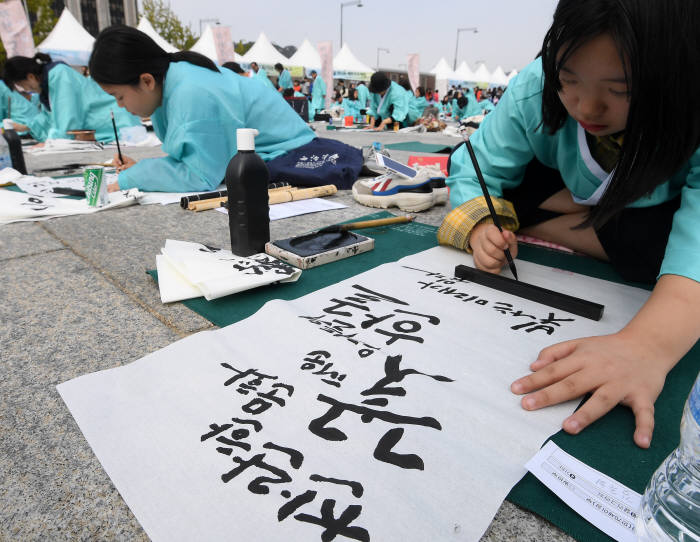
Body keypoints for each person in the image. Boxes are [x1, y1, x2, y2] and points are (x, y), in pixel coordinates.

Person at [438, 0, 700, 448]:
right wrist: (482, 223)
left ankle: (554, 217)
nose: (587, 106)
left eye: (621, 90)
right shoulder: (534, 87)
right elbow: (479, 166)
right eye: (568, 80)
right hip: (570, 193)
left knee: (653, 255)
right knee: (500, 192)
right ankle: (582, 212)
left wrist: (647, 346)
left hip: (650, 213)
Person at [88, 26, 315, 192]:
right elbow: (197, 160)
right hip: (285, 149)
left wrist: (133, 177)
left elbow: (201, 175)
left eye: (119, 96)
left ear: (147, 81)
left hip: (295, 153)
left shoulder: (190, 91)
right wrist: (140, 170)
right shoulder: (177, 77)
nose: (120, 105)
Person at [3, 52, 141, 143]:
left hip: (117, 125)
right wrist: (25, 127)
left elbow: (67, 119)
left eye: (22, 85)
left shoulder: (59, 75)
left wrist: (51, 144)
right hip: (100, 131)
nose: (26, 90)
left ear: (31, 77)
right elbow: (47, 118)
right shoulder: (46, 86)